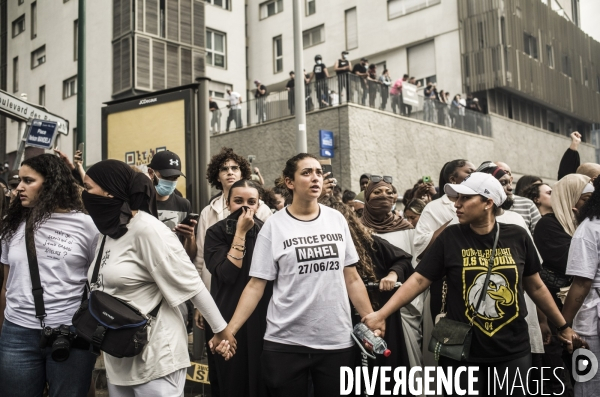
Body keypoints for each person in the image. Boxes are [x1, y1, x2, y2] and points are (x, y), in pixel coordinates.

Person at [363, 172, 578, 397]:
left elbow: (536, 287)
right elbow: (418, 279)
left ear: (488, 202)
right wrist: (381, 314)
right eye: (457, 198)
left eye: (465, 198)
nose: (457, 204)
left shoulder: (517, 236)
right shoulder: (450, 237)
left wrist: (563, 326)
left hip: (512, 349)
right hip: (460, 351)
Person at [210, 153, 381, 397]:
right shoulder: (274, 225)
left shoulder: (337, 220)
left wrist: (370, 317)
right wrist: (231, 330)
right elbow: (256, 285)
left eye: (318, 173)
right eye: (307, 173)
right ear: (289, 182)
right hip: (285, 343)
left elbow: (351, 277)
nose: (315, 178)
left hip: (336, 341)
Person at [79, 160, 234, 396]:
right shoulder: (107, 234)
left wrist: (221, 330)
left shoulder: (148, 229)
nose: (84, 194)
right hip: (119, 356)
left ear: (109, 190)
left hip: (156, 358)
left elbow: (191, 283)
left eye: (88, 187)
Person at [0, 154, 99, 397]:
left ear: (51, 183)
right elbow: (6, 284)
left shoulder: (87, 226)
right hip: (17, 333)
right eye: (18, 181)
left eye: (28, 181)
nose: (19, 187)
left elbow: (99, 283)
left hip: (70, 332)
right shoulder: (12, 224)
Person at [193, 148, 273, 394]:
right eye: (239, 201)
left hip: (261, 313)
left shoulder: (268, 231)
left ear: (259, 204)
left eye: (251, 202)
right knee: (230, 378)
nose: (245, 208)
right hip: (224, 310)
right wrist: (239, 233)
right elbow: (225, 273)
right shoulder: (215, 231)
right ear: (228, 203)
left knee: (260, 377)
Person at [327, 199, 415, 396]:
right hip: (340, 324)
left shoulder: (369, 242)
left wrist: (393, 274)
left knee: (384, 377)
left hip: (377, 318)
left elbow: (403, 259)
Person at [534, 173, 592, 394]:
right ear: (570, 198)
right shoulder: (547, 226)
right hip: (559, 309)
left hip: (585, 308)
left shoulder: (587, 225)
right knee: (568, 371)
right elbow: (576, 263)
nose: (592, 206)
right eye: (585, 200)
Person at [562, 176, 600, 395]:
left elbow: (582, 282)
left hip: (591, 322)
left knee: (588, 383)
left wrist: (564, 325)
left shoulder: (590, 227)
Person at [147, 150, 196, 260]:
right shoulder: (141, 203)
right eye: (166, 177)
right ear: (151, 173)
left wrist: (190, 238)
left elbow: (189, 257)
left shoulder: (184, 204)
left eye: (175, 178)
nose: (170, 182)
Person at [495, 161, 541, 233]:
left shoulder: (527, 204)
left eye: (506, 172)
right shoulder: (486, 204)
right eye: (498, 172)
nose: (502, 175)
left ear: (511, 179)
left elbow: (538, 236)